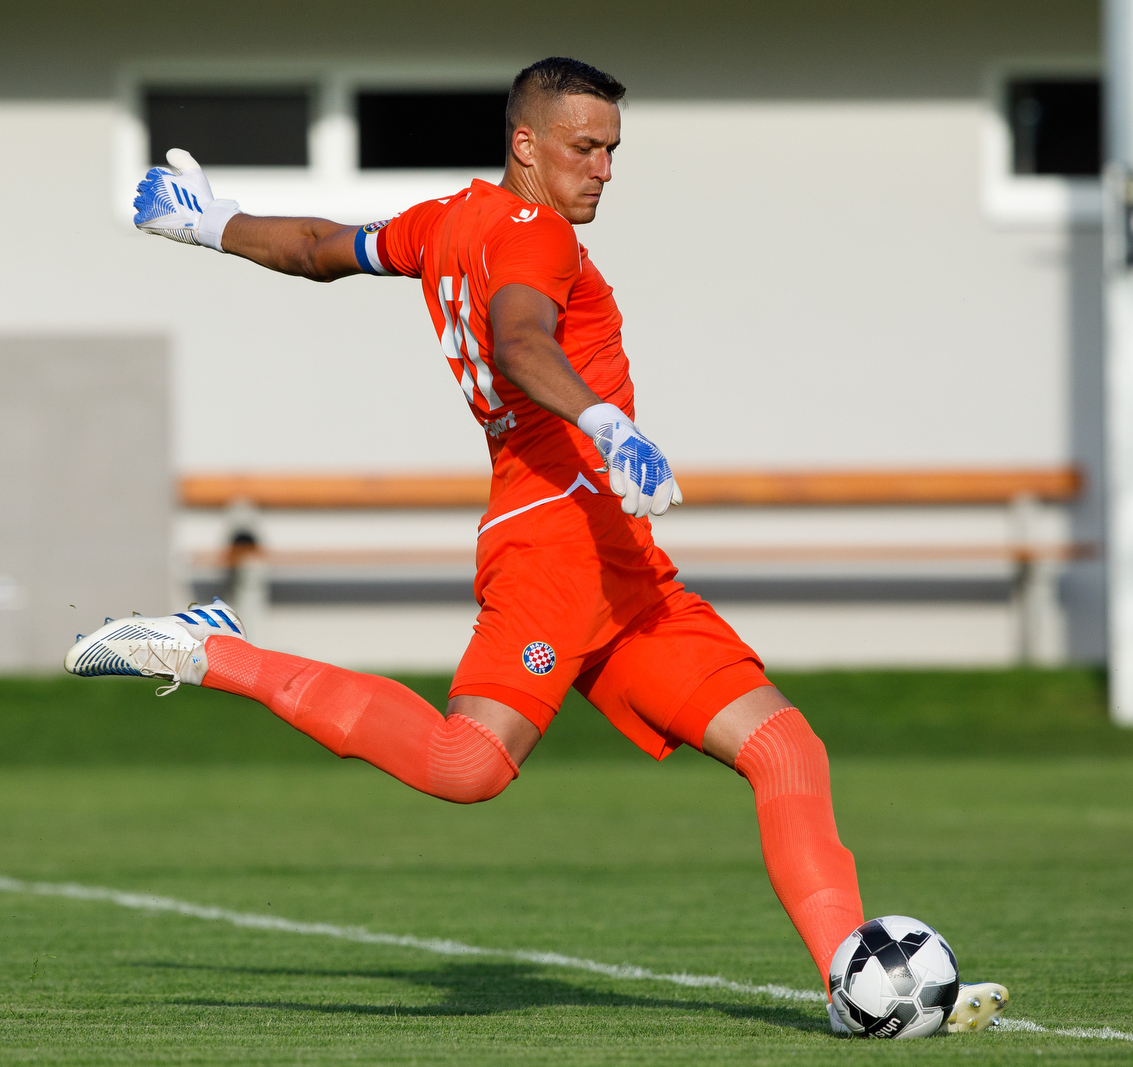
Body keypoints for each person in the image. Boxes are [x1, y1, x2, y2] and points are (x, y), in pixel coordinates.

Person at [64, 57, 1006, 1035]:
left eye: (612, 150)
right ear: (526, 144)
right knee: (466, 765)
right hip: (555, 542)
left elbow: (317, 246)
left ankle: (860, 983)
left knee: (783, 746)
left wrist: (209, 223)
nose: (602, 168)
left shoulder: (444, 220)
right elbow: (521, 341)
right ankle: (213, 649)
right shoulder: (533, 235)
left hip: (621, 560)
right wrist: (604, 423)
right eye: (583, 147)